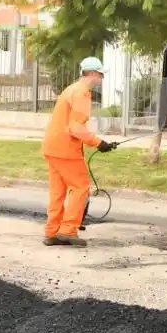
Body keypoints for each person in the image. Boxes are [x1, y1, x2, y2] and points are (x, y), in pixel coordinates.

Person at [41, 56, 117, 246]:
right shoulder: (82, 93)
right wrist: (98, 143)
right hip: (66, 149)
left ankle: (52, 232)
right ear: (91, 74)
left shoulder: (71, 89)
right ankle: (67, 231)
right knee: (80, 187)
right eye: (100, 74)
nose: (101, 78)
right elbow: (75, 128)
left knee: (57, 191)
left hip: (52, 146)